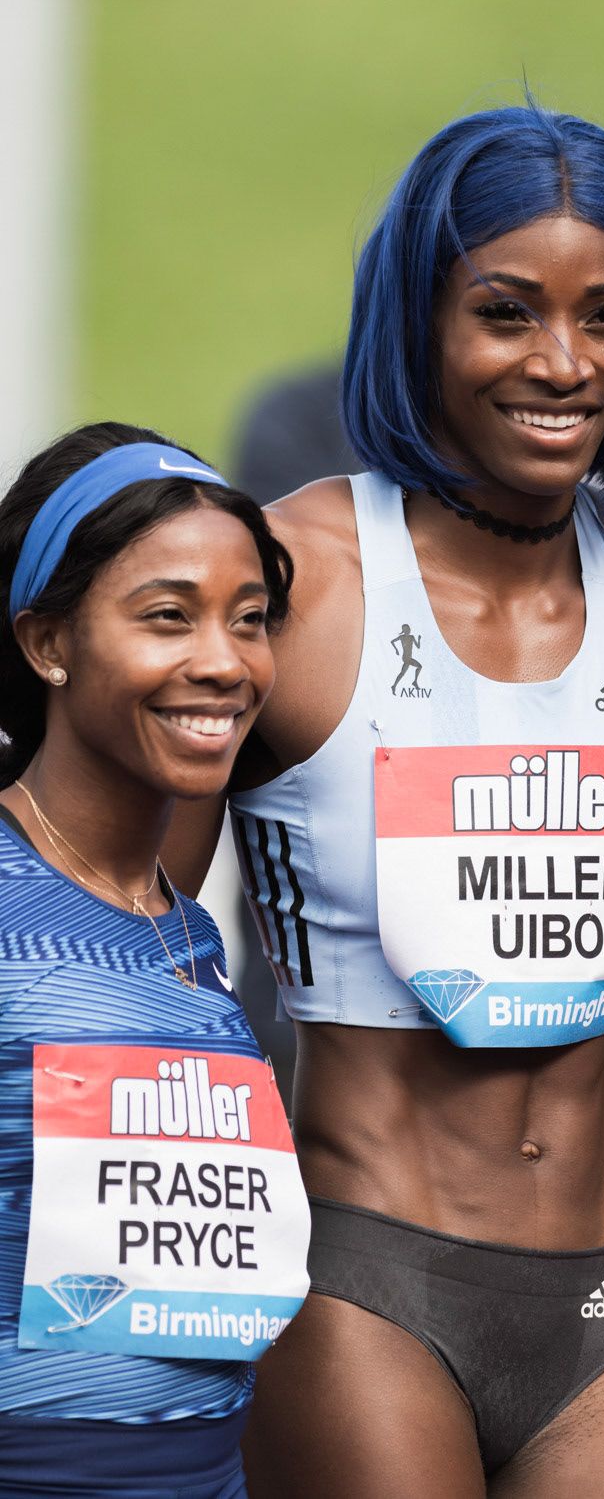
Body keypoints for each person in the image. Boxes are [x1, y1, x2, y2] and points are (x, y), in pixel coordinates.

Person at [165, 102, 604, 1496]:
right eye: (505, 312)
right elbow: (139, 926)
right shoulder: (290, 579)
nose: (563, 363)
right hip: (361, 1277)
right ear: (415, 321)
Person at [0, 423, 310, 1497]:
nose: (224, 661)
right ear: (48, 643)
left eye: (250, 619)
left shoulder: (184, 930)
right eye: (168, 616)